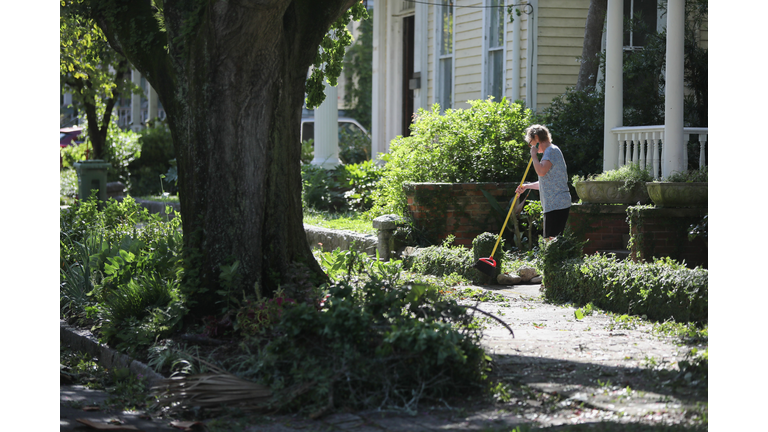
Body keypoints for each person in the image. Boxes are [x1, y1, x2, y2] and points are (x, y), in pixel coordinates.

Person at [515, 124, 571, 240]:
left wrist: (534, 156)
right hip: (553, 204)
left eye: (530, 142)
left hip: (556, 204)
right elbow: (547, 182)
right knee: (551, 241)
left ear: (536, 138)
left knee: (552, 241)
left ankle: (557, 259)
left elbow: (541, 171)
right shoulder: (550, 151)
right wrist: (527, 186)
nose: (530, 146)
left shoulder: (551, 151)